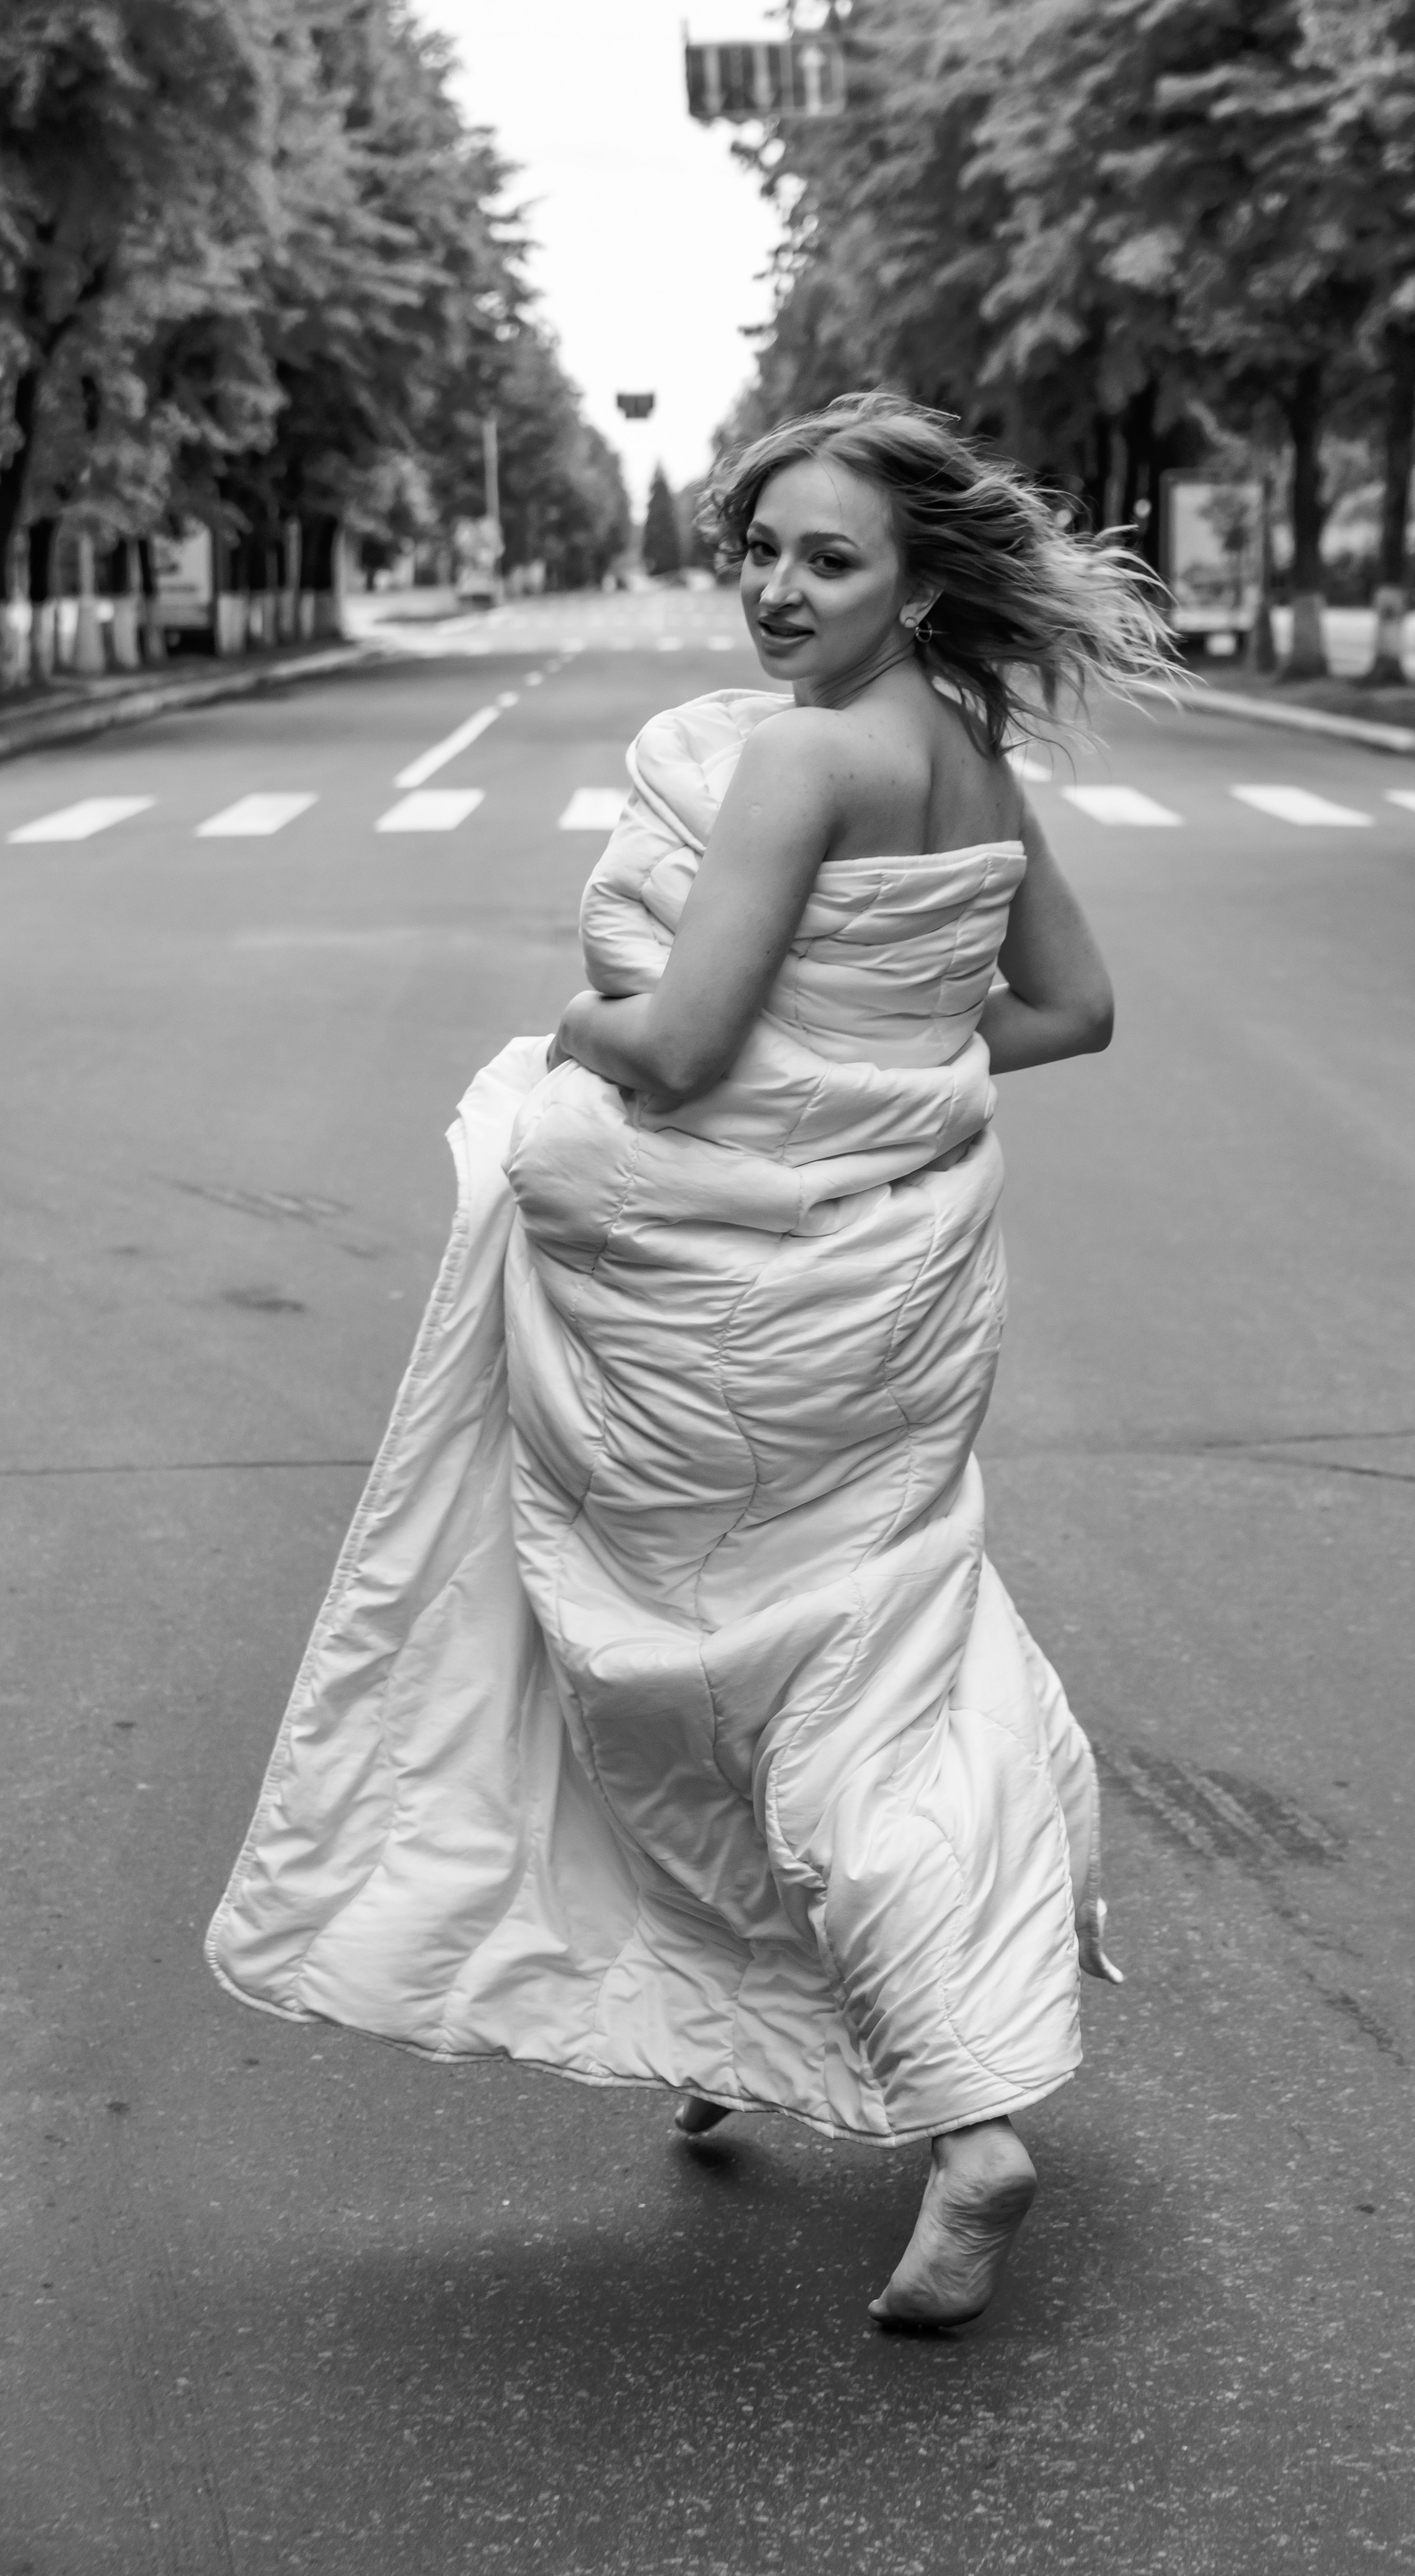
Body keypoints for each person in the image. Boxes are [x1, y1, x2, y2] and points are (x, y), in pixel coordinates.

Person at [208, 391, 1169, 2330]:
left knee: (696, 1669)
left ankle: (966, 2116)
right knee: (874, 1646)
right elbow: (1072, 1009)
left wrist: (579, 1025)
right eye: (762, 549)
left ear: (914, 583)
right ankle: (767, 2020)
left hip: (717, 1321)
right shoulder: (964, 748)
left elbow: (688, 1039)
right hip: (890, 1305)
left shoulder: (805, 766)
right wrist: (875, 1083)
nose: (777, 590)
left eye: (829, 557)